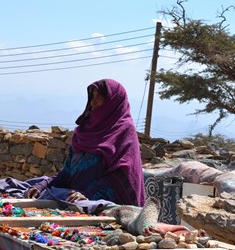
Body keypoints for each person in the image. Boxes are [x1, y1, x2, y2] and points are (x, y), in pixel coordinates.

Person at [23, 78, 145, 207]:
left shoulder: (123, 131)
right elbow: (67, 172)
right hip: (74, 200)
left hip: (106, 204)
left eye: (100, 96)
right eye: (92, 96)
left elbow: (121, 176)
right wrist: (42, 186)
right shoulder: (83, 132)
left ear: (112, 102)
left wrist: (88, 194)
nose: (93, 102)